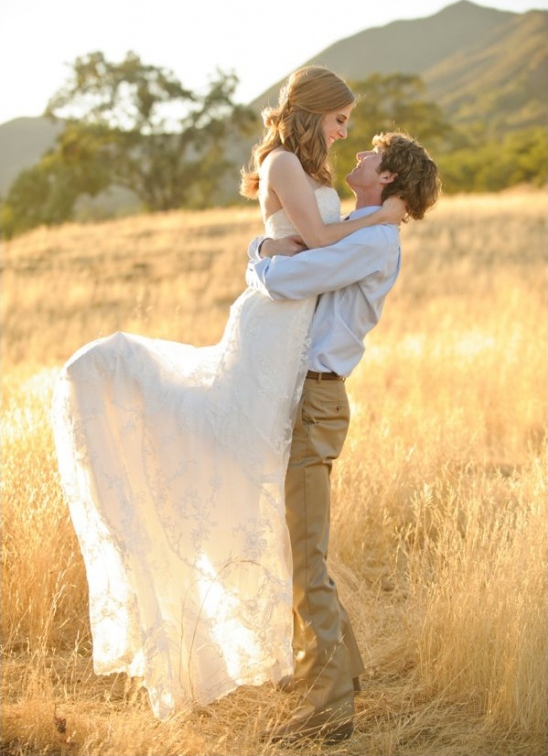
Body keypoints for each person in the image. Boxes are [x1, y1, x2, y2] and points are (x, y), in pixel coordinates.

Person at [51, 66, 403, 720]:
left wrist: (285, 242)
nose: (344, 132)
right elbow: (320, 242)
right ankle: (317, 681)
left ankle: (322, 677)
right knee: (240, 484)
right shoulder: (283, 165)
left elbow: (313, 249)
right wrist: (372, 217)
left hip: (290, 336)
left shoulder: (313, 173)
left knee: (276, 512)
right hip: (269, 330)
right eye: (339, 120)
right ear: (314, 111)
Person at [246, 131, 441, 745]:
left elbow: (283, 280)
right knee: (301, 546)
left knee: (306, 558)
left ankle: (329, 710)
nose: (358, 155)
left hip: (318, 399)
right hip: (307, 395)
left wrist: (261, 247)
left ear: (388, 180)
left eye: (372, 156)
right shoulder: (367, 229)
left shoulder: (375, 239)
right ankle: (338, 672)